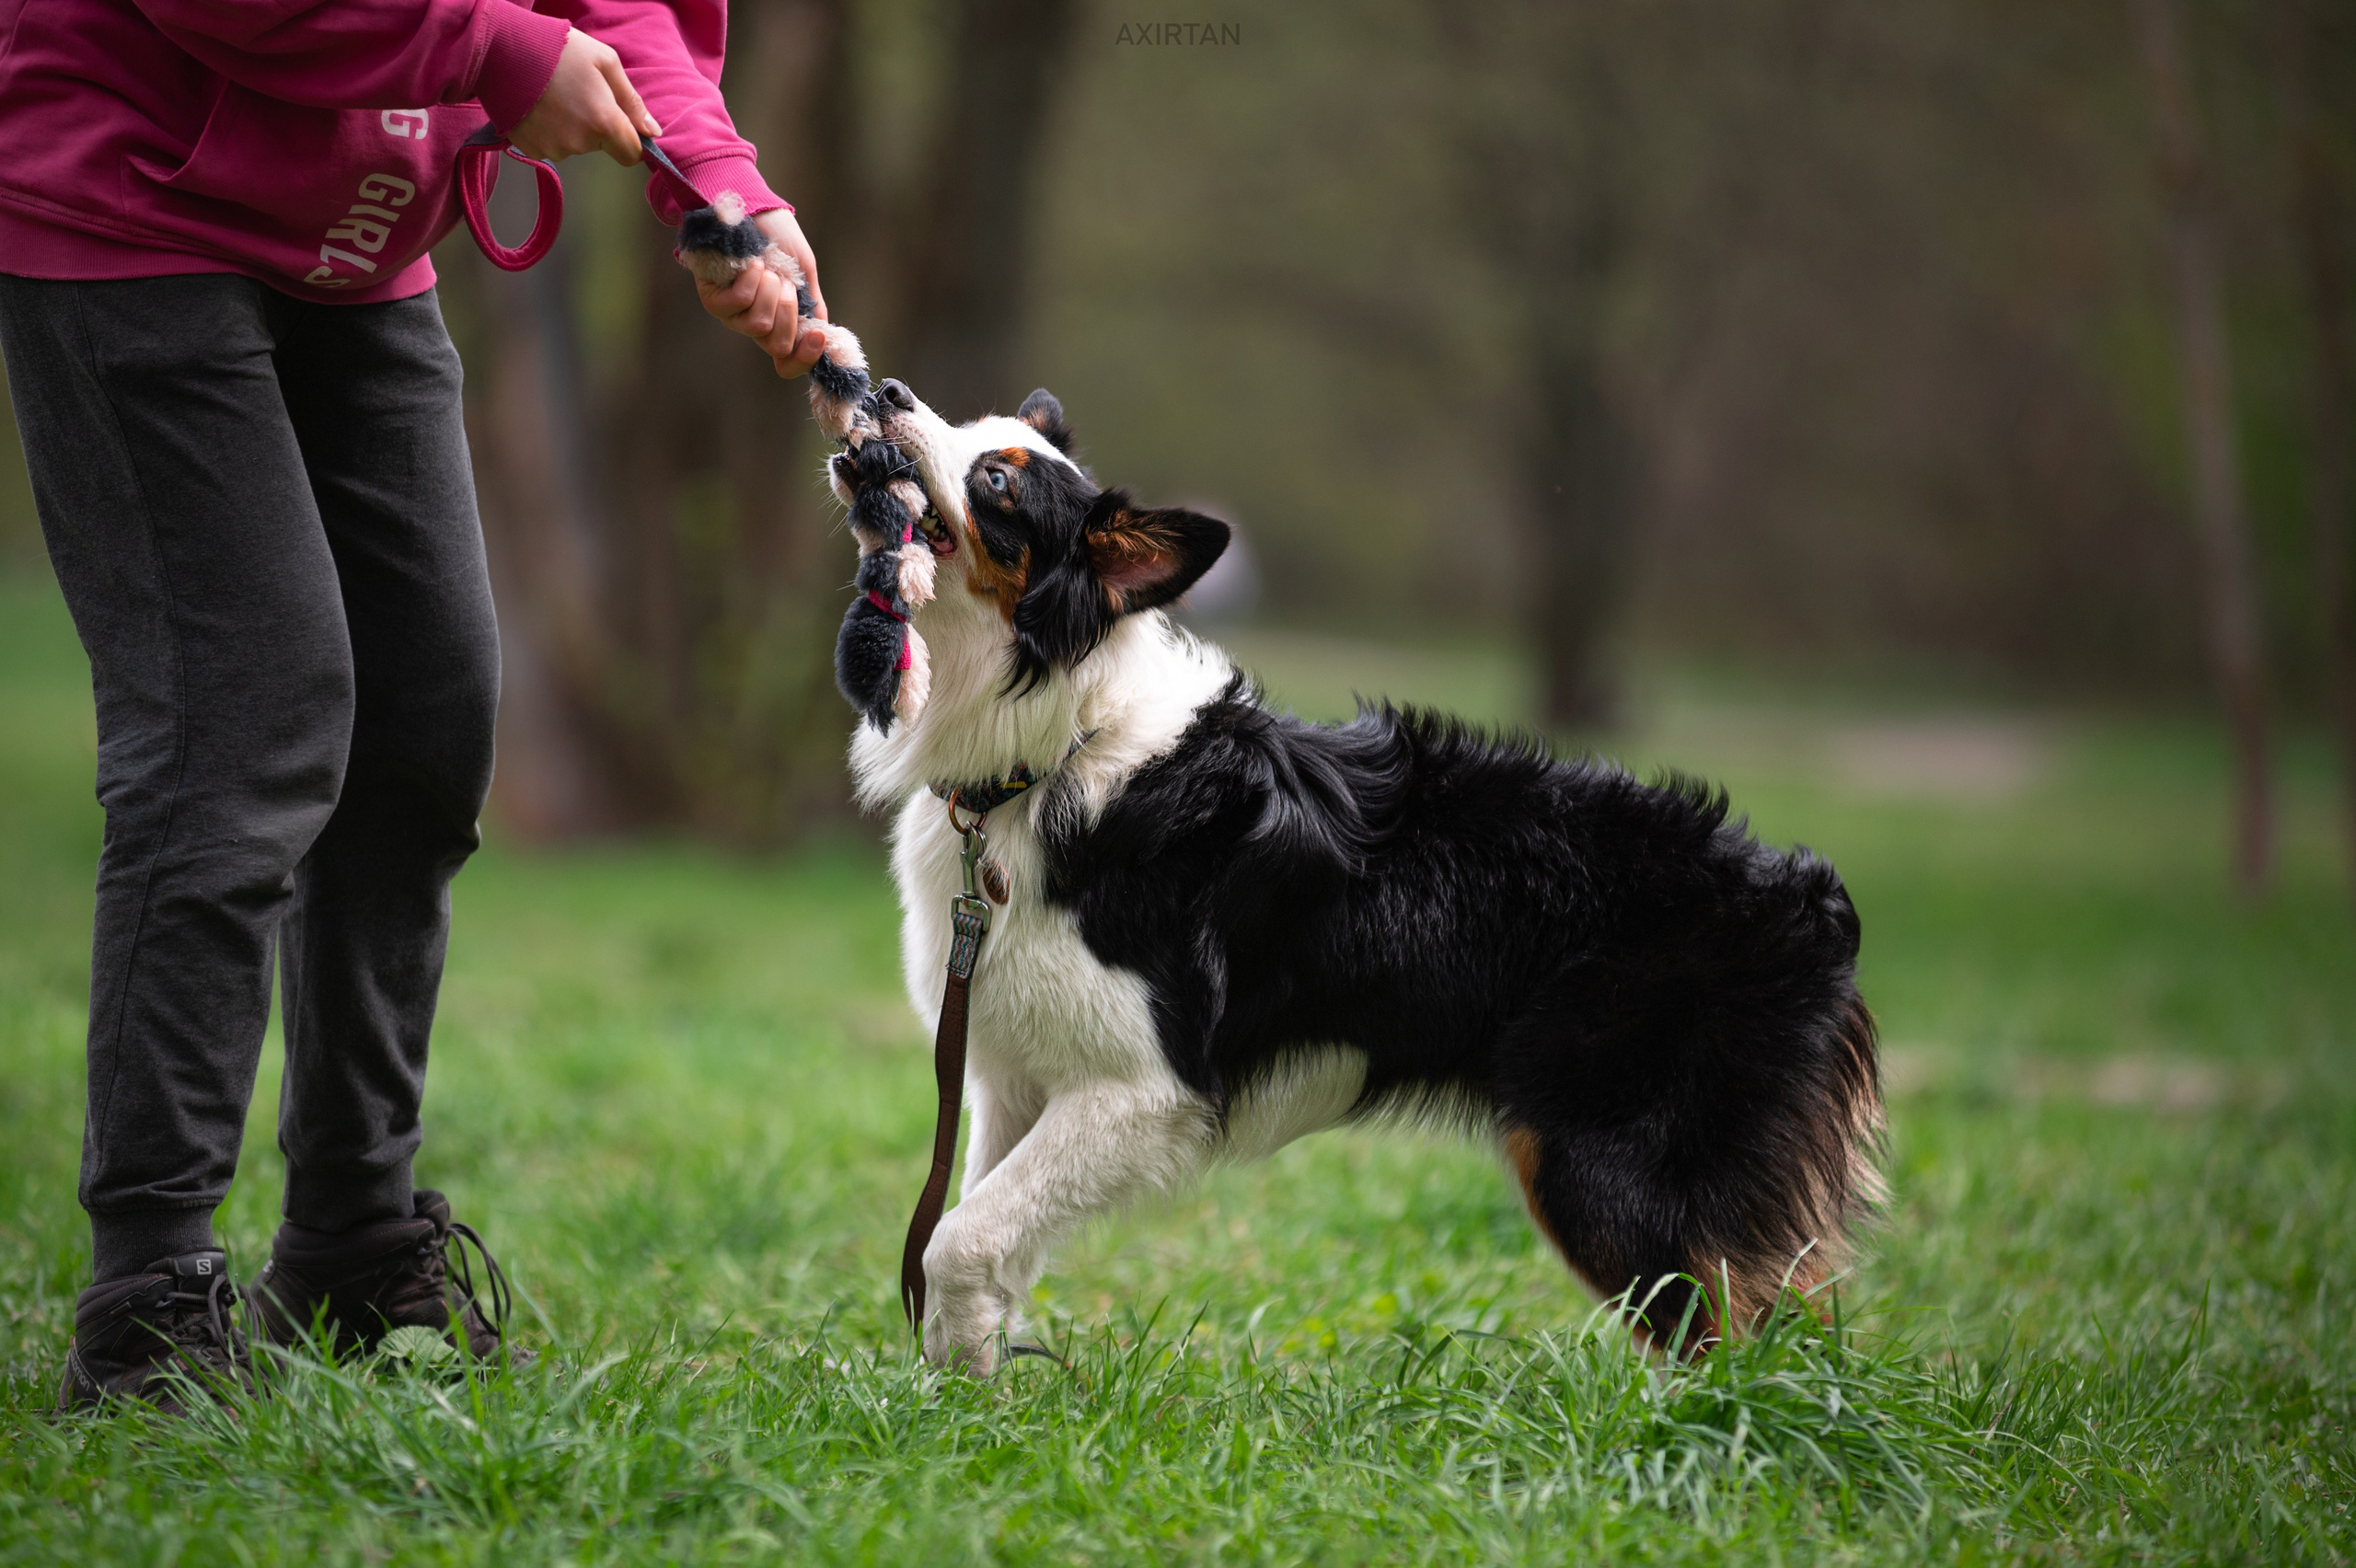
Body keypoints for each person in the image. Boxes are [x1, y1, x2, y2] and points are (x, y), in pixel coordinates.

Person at [0, 0, 819, 1414]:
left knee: (427, 726)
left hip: (356, 235)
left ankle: (351, 1247)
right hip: (134, 202)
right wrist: (494, 53)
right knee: (241, 725)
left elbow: (616, 9)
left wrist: (720, 184)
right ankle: (146, 1301)